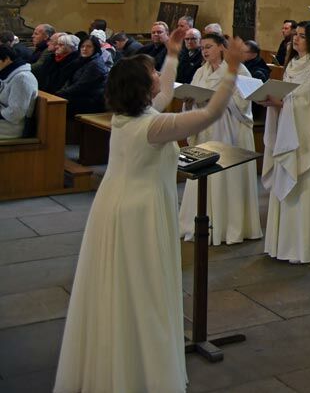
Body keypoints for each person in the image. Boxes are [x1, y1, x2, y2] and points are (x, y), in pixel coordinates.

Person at [54, 30, 247, 393]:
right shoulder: (154, 126)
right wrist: (233, 69)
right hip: (140, 214)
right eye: (152, 74)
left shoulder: (130, 118)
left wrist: (173, 53)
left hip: (114, 207)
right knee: (142, 290)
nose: (158, 76)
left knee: (121, 289)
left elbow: (167, 93)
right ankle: (140, 372)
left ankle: (123, 361)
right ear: (141, 88)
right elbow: (210, 113)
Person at [178, 32, 262, 246]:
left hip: (229, 129)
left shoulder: (239, 70)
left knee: (226, 175)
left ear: (222, 48)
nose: (204, 51)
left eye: (209, 46)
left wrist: (215, 98)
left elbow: (244, 103)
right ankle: (199, 222)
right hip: (207, 128)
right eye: (203, 47)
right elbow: (194, 95)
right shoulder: (200, 72)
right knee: (205, 175)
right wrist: (190, 101)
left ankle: (229, 225)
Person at [262, 22, 310, 263]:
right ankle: (282, 245)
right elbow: (291, 98)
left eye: (302, 36)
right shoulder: (291, 65)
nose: (296, 39)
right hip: (287, 133)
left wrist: (282, 103)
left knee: (304, 191)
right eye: (296, 35)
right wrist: (275, 104)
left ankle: (304, 248)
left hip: (304, 142)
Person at [57, 34, 109, 115]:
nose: (84, 49)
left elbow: (80, 86)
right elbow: (69, 79)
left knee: (58, 105)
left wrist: (59, 94)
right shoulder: (81, 61)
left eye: (89, 46)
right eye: (82, 46)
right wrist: (61, 92)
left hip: (93, 102)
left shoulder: (95, 64)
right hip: (82, 96)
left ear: (95, 48)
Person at [0, 45, 38, 139]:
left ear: (6, 59)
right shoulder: (7, 73)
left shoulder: (22, 78)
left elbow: (16, 114)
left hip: (12, 127)